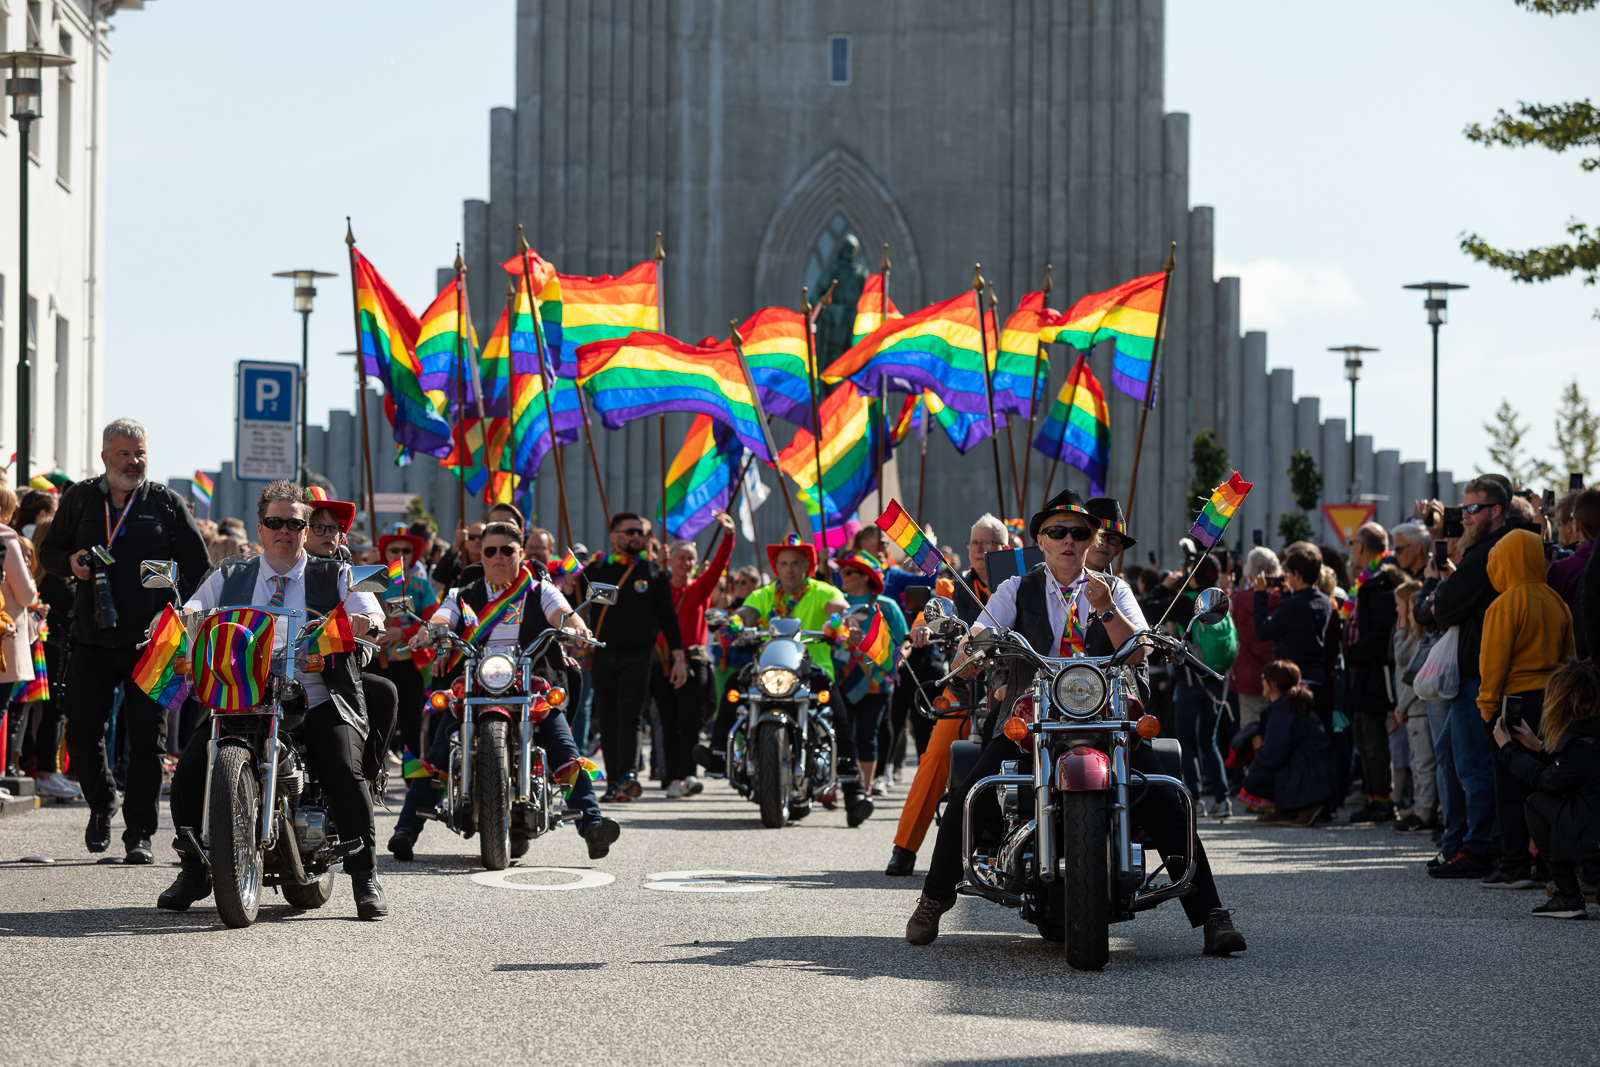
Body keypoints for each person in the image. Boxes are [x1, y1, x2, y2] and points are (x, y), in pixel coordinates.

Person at [905, 489, 1245, 955]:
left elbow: (1141, 648)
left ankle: (1212, 915)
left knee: (1165, 794)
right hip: (1034, 712)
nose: (1068, 540)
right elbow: (984, 632)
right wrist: (971, 646)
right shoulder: (1015, 589)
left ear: (1091, 540)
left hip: (1107, 713)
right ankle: (933, 898)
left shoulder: (1114, 588)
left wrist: (1105, 607)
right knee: (972, 789)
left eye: (1078, 533)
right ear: (1040, 540)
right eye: (1056, 532)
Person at [159, 481, 389, 919]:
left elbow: (374, 611)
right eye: (275, 522)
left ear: (306, 529)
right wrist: (170, 622)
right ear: (260, 527)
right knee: (190, 769)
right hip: (241, 698)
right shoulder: (230, 575)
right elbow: (191, 610)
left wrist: (366, 620)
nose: (284, 530)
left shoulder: (336, 574)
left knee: (343, 766)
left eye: (294, 523)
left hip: (317, 698)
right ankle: (193, 870)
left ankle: (366, 877)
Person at [393, 522, 620, 860]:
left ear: (520, 554)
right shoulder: (463, 594)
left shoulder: (539, 590)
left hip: (532, 685)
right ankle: (406, 830)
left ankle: (593, 826)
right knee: (440, 750)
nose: (498, 558)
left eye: (507, 551)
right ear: (481, 556)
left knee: (562, 744)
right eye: (490, 551)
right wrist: (427, 634)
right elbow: (442, 618)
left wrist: (577, 628)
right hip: (476, 684)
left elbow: (563, 613)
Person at [40, 419, 210, 862]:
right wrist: (72, 562)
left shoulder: (167, 505)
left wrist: (188, 621)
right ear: (104, 457)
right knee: (80, 737)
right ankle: (101, 804)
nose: (134, 462)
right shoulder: (79, 499)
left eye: (140, 454)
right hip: (90, 640)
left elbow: (199, 570)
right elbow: (48, 553)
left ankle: (140, 834)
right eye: (124, 454)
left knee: (147, 744)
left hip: (152, 647)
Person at [709, 533, 869, 822]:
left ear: (807, 565)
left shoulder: (821, 591)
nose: (790, 569)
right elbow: (747, 612)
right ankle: (717, 754)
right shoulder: (765, 594)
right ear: (776, 566)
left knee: (839, 716)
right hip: (769, 669)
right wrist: (732, 623)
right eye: (784, 564)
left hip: (812, 670)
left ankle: (854, 791)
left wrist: (847, 622)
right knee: (734, 684)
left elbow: (840, 610)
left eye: (796, 563)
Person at [887, 515, 1003, 876]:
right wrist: (921, 629)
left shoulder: (1019, 584)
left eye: (991, 543)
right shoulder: (953, 584)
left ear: (1007, 547)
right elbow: (929, 611)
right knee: (936, 755)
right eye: (976, 543)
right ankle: (904, 848)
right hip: (964, 688)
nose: (982, 550)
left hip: (1011, 692)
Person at [1415, 476, 1517, 879]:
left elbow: (1443, 609)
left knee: (1471, 764)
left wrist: (1435, 598)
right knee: (1449, 754)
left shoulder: (1486, 554)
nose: (1466, 517)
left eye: (1473, 509)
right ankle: (1458, 841)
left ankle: (1478, 847)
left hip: (1480, 674)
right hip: (1476, 671)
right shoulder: (1485, 550)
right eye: (1463, 509)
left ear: (1496, 511)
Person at [1476, 527, 1576, 888]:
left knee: (1509, 784)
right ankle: (1550, 865)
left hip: (1513, 702)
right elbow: (1570, 659)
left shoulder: (1503, 604)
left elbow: (1493, 664)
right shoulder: (1556, 601)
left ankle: (1514, 863)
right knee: (1548, 781)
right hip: (1553, 702)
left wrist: (1488, 710)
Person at [583, 512, 686, 800]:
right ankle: (613, 780)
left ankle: (627, 777)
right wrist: (571, 581)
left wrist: (678, 657)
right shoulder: (597, 569)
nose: (636, 537)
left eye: (640, 532)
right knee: (607, 718)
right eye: (629, 532)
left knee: (629, 716)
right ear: (614, 536)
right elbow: (577, 603)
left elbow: (668, 618)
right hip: (602, 656)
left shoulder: (653, 573)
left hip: (638, 656)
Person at [303, 488, 399, 788]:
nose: (328, 534)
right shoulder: (268, 569)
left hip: (333, 678)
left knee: (384, 691)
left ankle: (366, 779)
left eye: (333, 527)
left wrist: (365, 622)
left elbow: (377, 621)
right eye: (318, 526)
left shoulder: (346, 572)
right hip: (273, 676)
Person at [1492, 659, 1600, 918]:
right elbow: (1571, 769)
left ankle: (1568, 895)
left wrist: (1507, 749)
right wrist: (1536, 744)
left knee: (1536, 803)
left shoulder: (1578, 749)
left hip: (1594, 845)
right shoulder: (1590, 737)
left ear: (1562, 703)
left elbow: (1547, 780)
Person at [654, 512, 735, 798]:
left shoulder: (699, 588)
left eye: (690, 559)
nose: (687, 564)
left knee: (690, 722)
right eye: (681, 558)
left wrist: (728, 535)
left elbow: (720, 564)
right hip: (663, 663)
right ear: (671, 561)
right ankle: (671, 777)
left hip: (694, 661)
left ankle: (688, 775)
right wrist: (657, 564)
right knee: (668, 721)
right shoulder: (659, 586)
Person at [834, 550, 918, 800]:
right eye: (841, 571)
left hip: (877, 681)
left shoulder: (887, 605)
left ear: (865, 577)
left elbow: (906, 641)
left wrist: (901, 658)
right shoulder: (837, 603)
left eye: (848, 572)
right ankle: (843, 784)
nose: (842, 575)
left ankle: (865, 788)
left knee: (867, 735)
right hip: (841, 679)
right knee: (842, 733)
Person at [1342, 523, 1403, 824]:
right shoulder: (1369, 580)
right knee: (1363, 736)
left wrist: (1354, 653)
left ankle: (1381, 800)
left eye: (1353, 542)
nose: (1351, 548)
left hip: (1374, 674)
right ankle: (1372, 796)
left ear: (1363, 548)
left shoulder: (1382, 580)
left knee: (1374, 739)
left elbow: (1380, 632)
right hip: (1364, 673)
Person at [1242, 660, 1339, 827]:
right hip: (1316, 771)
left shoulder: (1283, 710)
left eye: (1264, 677)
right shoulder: (1289, 704)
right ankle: (1287, 810)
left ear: (1273, 684)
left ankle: (1307, 805)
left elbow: (1273, 754)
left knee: (1253, 780)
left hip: (1312, 775)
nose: (1261, 680)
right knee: (1259, 774)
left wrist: (1254, 765)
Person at [373, 531, 436, 758]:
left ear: (413, 555)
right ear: (385, 554)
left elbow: (433, 621)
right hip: (376, 662)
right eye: (394, 550)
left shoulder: (421, 586)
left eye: (406, 551)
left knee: (411, 722)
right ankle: (371, 779)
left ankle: (413, 782)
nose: (400, 555)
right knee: (375, 723)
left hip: (410, 662)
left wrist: (402, 632)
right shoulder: (372, 582)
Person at [1391, 579, 1439, 834]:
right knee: (1417, 761)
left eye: (1405, 608)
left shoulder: (1421, 641)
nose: (1404, 613)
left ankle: (1425, 812)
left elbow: (1413, 678)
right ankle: (1422, 808)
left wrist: (1402, 706)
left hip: (1416, 708)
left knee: (1423, 764)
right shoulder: (1414, 637)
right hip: (1411, 709)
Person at [1252, 549, 1331, 687]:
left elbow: (1263, 631)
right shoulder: (1325, 602)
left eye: (1289, 573)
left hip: (1292, 679)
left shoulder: (1293, 605)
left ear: (1297, 575)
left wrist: (1260, 595)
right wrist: (1287, 595)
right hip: (1315, 676)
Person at [1231, 547, 1281, 730]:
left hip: (1249, 677)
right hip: (1281, 675)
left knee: (1251, 733)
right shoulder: (1287, 598)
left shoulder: (1239, 599)